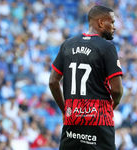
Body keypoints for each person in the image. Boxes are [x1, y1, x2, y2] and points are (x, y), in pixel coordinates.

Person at [49, 5, 123, 150]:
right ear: (101, 23)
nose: (114, 27)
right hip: (99, 121)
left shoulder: (68, 44)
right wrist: (112, 106)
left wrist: (65, 111)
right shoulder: (107, 48)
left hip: (73, 120)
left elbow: (53, 81)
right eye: (112, 22)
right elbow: (117, 90)